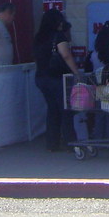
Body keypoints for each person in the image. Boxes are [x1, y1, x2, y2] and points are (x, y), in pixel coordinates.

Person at [33, 9, 82, 151]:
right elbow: (66, 55)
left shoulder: (38, 37)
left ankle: (52, 143)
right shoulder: (58, 36)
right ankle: (70, 142)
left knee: (52, 110)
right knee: (65, 110)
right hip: (57, 77)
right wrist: (76, 72)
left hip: (41, 78)